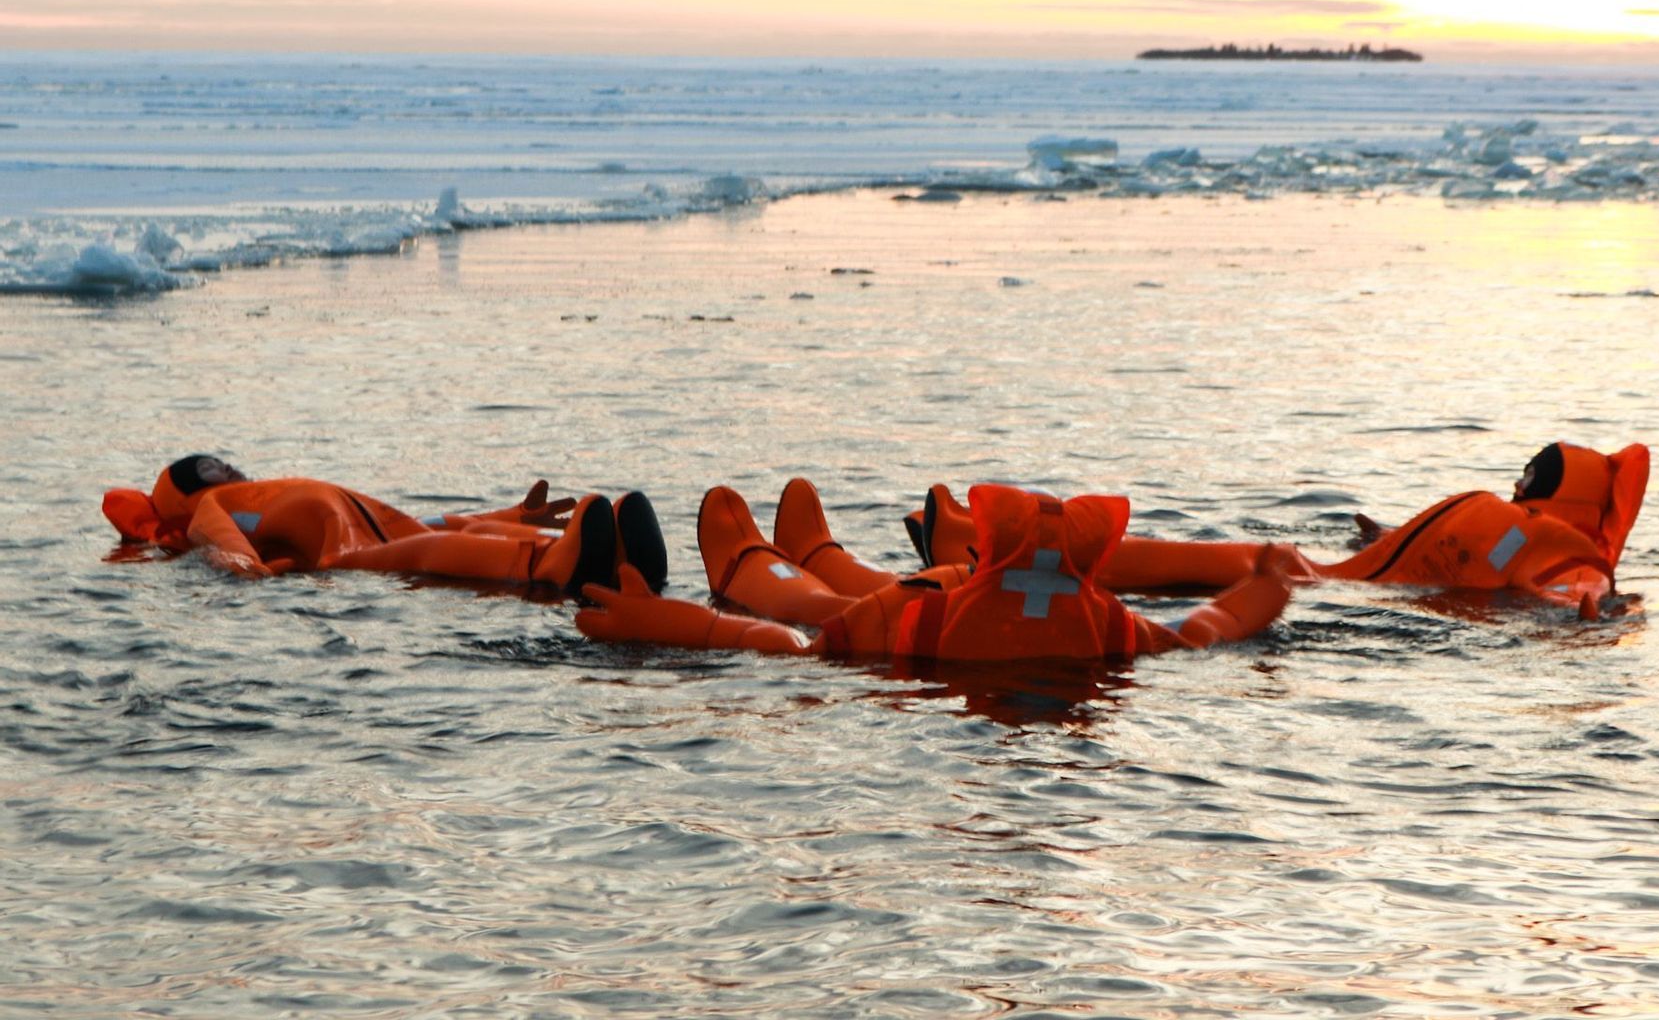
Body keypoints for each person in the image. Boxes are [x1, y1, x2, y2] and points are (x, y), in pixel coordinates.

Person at [903, 442, 1651, 619]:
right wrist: (1383, 538)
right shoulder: (1524, 526)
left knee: (1264, 564)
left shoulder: (1570, 550)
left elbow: (1574, 589)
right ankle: (988, 545)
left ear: (1567, 498)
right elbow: (1440, 548)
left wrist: (1580, 609)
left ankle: (985, 556)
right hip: (1351, 576)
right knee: (1263, 558)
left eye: (1537, 479)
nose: (1521, 485)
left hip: (1344, 594)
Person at [574, 479, 1302, 661]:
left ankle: (757, 570)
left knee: (820, 619)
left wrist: (665, 624)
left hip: (922, 626)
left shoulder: (930, 611)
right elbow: (1210, 628)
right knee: (838, 614)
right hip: (951, 626)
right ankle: (808, 559)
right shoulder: (1111, 628)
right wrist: (1270, 582)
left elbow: (780, 651)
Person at [101, 454, 667, 596]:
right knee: (424, 550)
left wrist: (511, 516)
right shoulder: (207, 508)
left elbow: (422, 520)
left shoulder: (266, 488)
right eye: (206, 468)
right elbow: (219, 540)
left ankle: (611, 553)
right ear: (187, 490)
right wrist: (247, 569)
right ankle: (550, 562)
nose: (224, 468)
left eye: (221, 460)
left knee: (449, 533)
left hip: (375, 527)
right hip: (339, 550)